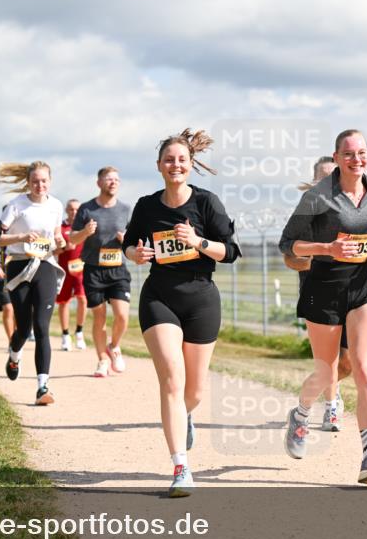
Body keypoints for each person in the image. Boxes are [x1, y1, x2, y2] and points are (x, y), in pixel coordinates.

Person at [123, 128, 241, 497]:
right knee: (171, 380)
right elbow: (129, 244)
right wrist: (135, 255)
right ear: (159, 166)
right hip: (159, 296)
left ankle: (185, 416)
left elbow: (231, 252)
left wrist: (198, 242)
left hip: (201, 298)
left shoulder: (207, 203)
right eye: (169, 160)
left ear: (191, 166)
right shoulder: (146, 205)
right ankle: (180, 466)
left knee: (195, 390)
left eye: (182, 160)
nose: (175, 165)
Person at [278, 129, 367, 485]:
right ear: (337, 156)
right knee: (328, 373)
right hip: (323, 290)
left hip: (363, 287)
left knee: (363, 368)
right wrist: (327, 249)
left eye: (361, 152)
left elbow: (362, 234)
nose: (356, 159)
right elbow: (288, 245)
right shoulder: (318, 197)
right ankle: (300, 415)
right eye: (349, 154)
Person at [284, 155, 352, 432]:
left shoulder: (351, 213)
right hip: (317, 293)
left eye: (333, 177)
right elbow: (289, 257)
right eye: (323, 178)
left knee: (347, 363)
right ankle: (331, 406)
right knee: (329, 360)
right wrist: (319, 256)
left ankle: (326, 397)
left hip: (350, 292)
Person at [0, 161, 66, 405]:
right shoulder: (16, 205)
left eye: (44, 181)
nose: (40, 185)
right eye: (35, 181)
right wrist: (21, 237)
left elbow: (56, 235)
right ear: (28, 182)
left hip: (45, 265)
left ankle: (42, 387)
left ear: (50, 181)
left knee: (42, 326)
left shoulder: (56, 205)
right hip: (19, 266)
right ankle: (14, 355)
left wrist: (60, 240)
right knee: (24, 328)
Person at [68, 167, 133, 377]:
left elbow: (133, 239)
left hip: (118, 269)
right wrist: (85, 232)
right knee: (99, 318)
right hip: (94, 270)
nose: (113, 182)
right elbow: (72, 238)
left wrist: (127, 241)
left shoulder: (125, 209)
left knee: (122, 316)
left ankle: (114, 346)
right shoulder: (87, 209)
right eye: (108, 179)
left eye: (116, 179)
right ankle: (102, 361)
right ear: (99, 183)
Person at [56, 198, 87, 351]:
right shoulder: (60, 228)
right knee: (64, 302)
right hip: (64, 270)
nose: (74, 212)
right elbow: (53, 250)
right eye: (71, 209)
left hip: (80, 270)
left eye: (76, 209)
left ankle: (79, 332)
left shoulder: (85, 227)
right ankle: (65, 335)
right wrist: (63, 249)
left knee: (82, 299)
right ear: (66, 210)